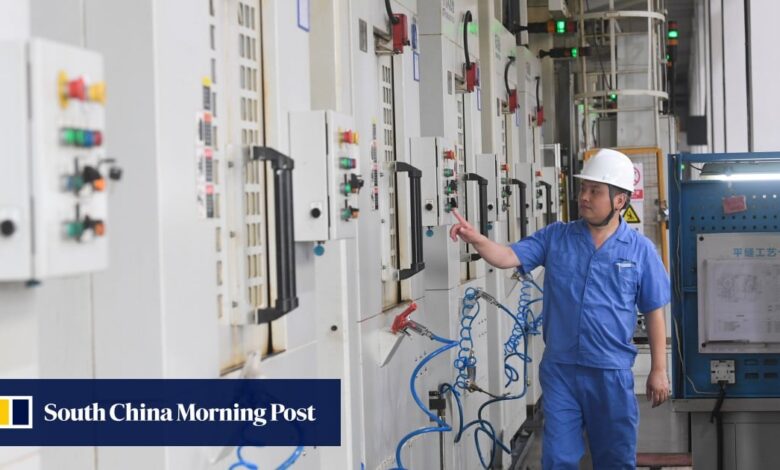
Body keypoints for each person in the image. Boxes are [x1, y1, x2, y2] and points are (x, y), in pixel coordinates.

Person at [448, 148, 670, 469]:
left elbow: (653, 310)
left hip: (610, 372)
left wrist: (659, 370)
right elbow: (507, 257)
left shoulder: (640, 251)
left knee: (616, 459)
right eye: (583, 189)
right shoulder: (557, 237)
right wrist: (477, 239)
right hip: (561, 371)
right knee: (557, 459)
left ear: (619, 200)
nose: (584, 197)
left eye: (595, 191)